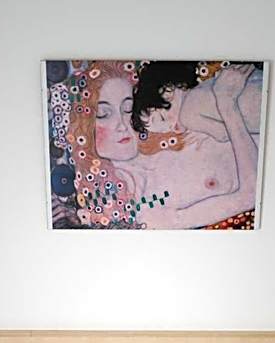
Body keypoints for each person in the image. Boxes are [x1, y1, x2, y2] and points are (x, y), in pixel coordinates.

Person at [57, 60, 259, 229]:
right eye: (104, 114)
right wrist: (227, 105)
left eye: (128, 109)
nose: (122, 124)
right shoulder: (147, 211)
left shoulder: (171, 126)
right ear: (85, 129)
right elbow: (251, 195)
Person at [131, 60, 264, 144]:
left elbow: (224, 134)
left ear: (168, 90)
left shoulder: (187, 114)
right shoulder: (206, 86)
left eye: (163, 119)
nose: (172, 127)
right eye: (165, 131)